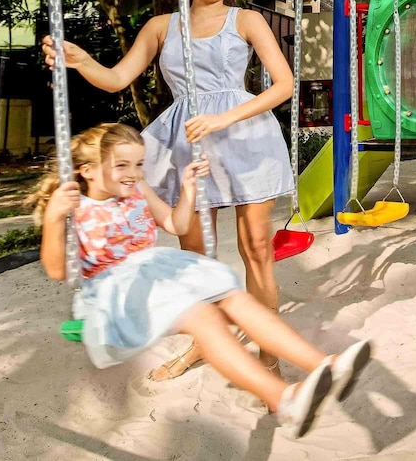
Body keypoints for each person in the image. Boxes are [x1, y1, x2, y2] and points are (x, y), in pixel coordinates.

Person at [42, 0, 294, 381]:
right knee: (195, 255)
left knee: (256, 247)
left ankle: (268, 353)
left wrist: (222, 118)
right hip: (187, 143)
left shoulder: (247, 20)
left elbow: (283, 85)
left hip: (246, 139)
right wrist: (80, 61)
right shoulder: (161, 26)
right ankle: (205, 341)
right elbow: (116, 78)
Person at [32, 123, 372, 438]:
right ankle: (283, 398)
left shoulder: (138, 190)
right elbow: (58, 271)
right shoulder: (75, 207)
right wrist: (54, 219)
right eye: (122, 165)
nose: (133, 173)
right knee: (205, 317)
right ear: (88, 170)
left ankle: (327, 366)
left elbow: (176, 224)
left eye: (138, 164)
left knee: (236, 299)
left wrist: (188, 189)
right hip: (117, 297)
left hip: (154, 278)